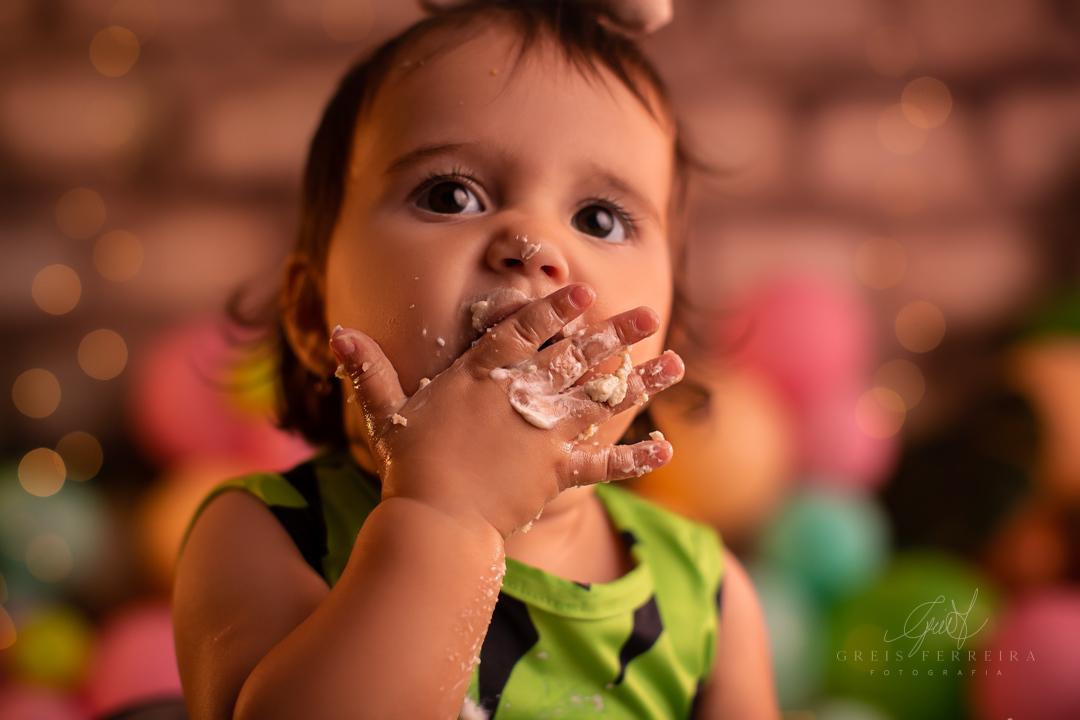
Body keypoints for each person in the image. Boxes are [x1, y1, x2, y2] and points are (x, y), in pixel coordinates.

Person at [172, 2, 779, 718]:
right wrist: (444, 514)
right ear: (312, 316)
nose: (532, 243)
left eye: (600, 219)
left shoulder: (706, 599)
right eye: (451, 195)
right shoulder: (264, 536)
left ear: (665, 331)